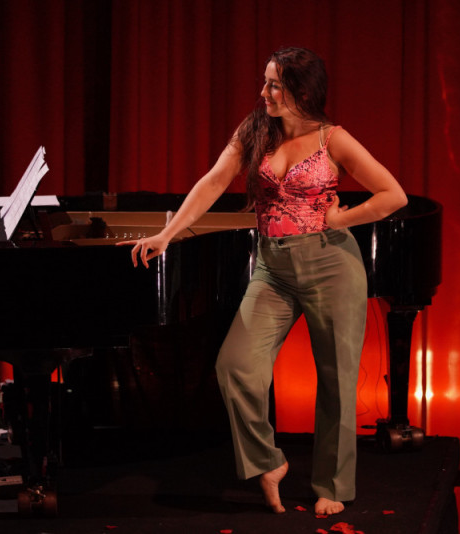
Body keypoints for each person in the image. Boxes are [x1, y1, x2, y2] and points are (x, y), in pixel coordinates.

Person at [120, 47, 407, 515]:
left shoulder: (333, 139)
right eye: (265, 82)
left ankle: (332, 486)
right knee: (234, 367)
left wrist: (341, 220)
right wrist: (167, 235)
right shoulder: (254, 130)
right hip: (272, 268)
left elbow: (392, 194)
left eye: (274, 84)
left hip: (330, 265)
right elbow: (213, 181)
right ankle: (267, 461)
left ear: (303, 92)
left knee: (336, 379)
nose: (264, 92)